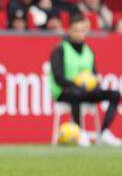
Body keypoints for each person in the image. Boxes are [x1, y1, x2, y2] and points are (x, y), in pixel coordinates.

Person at [49, 14, 121, 146]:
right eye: (76, 30)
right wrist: (77, 83)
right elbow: (58, 78)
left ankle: (103, 133)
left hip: (85, 91)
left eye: (82, 30)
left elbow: (94, 75)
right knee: (75, 93)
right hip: (64, 92)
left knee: (115, 94)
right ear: (69, 30)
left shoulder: (88, 51)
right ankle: (79, 131)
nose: (79, 34)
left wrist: (92, 84)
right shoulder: (60, 50)